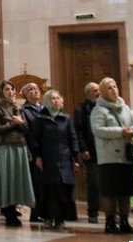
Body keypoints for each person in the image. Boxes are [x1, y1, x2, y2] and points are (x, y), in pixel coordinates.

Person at [90, 77, 133, 234]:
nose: (113, 90)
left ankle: (124, 221)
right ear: (103, 92)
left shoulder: (125, 108)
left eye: (115, 86)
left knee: (126, 192)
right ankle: (110, 222)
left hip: (125, 156)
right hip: (109, 157)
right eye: (109, 88)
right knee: (110, 192)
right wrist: (120, 132)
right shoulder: (99, 110)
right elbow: (97, 130)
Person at [32, 90, 79, 229]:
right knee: (48, 190)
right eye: (53, 98)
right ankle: (48, 217)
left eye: (58, 98)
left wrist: (75, 158)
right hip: (47, 158)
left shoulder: (66, 118)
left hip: (64, 158)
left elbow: (73, 138)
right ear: (47, 101)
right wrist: (38, 156)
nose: (56, 100)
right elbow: (35, 139)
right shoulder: (40, 118)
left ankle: (60, 218)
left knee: (63, 190)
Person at [0, 80, 35, 227]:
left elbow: (26, 129)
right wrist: (13, 123)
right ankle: (8, 211)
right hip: (6, 146)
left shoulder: (18, 107)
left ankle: (15, 206)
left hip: (20, 146)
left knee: (17, 179)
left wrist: (21, 123)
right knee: (8, 179)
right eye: (7, 89)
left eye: (12, 89)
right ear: (1, 92)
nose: (11, 92)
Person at [74, 81, 101, 224]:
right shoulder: (81, 109)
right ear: (87, 93)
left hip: (106, 150)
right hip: (91, 150)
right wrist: (83, 149)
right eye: (95, 90)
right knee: (94, 183)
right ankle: (93, 213)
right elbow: (78, 131)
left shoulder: (103, 107)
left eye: (99, 90)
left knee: (108, 183)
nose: (98, 93)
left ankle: (111, 212)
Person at [20, 82, 45, 223]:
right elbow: (26, 131)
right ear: (25, 94)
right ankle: (36, 212)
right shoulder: (24, 110)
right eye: (31, 89)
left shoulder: (45, 109)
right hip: (33, 150)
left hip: (47, 150)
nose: (35, 91)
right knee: (36, 183)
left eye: (36, 88)